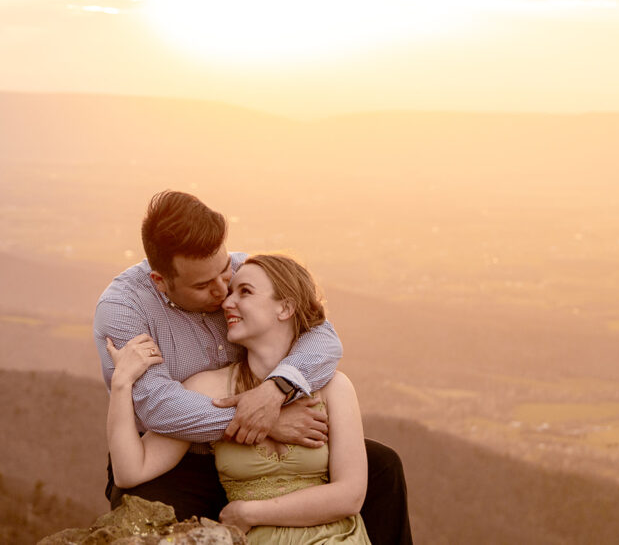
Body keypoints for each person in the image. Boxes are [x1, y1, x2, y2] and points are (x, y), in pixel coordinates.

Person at [94, 191, 412, 543]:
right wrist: (264, 420)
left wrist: (276, 391)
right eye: (203, 285)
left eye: (225, 272)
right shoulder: (124, 309)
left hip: (264, 440)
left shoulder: (247, 272)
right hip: (178, 455)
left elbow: (322, 337)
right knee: (141, 518)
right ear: (161, 281)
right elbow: (158, 406)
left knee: (384, 467)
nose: (222, 293)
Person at [108, 254, 370, 543]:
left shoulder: (334, 387)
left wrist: (250, 513)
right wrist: (122, 383)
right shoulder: (210, 387)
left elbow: (350, 496)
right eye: (231, 292)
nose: (227, 302)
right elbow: (131, 470)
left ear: (285, 308)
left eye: (244, 292)